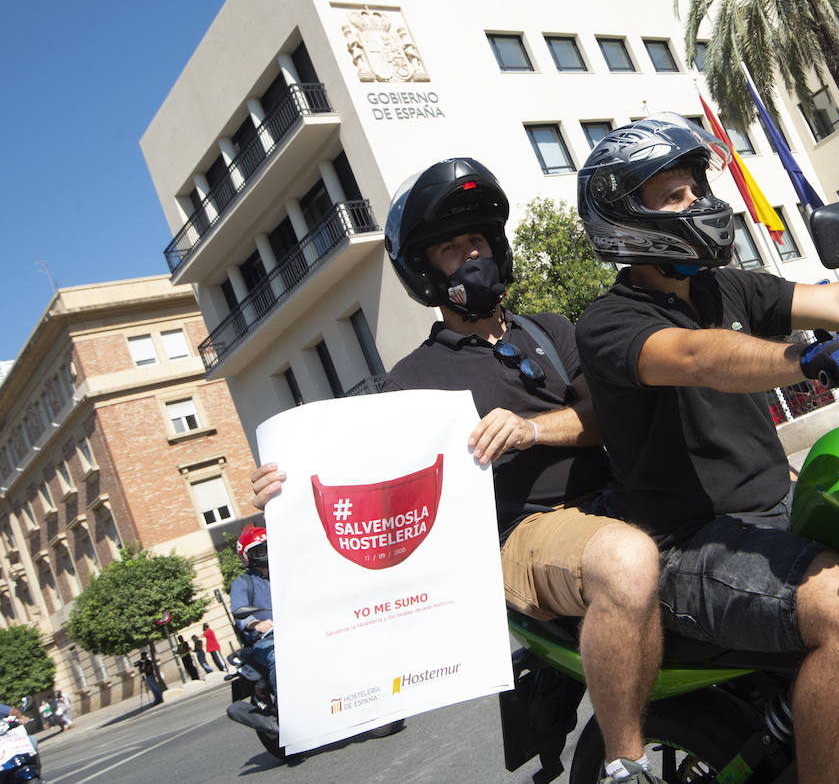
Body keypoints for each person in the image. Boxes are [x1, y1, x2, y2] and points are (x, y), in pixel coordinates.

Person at [250, 158, 667, 784]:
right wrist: (284, 494)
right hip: (524, 534)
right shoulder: (408, 384)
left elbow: (603, 417)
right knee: (624, 560)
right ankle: (624, 765)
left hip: (618, 499)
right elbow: (366, 486)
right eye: (451, 247)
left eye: (477, 240)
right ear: (424, 270)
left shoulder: (552, 332)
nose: (471, 254)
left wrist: (530, 428)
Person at [573, 116, 839, 784]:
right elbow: (698, 356)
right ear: (627, 221)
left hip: (777, 510)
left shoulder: (729, 287)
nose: (701, 205)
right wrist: (812, 358)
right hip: (688, 544)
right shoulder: (611, 321)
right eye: (675, 197)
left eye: (696, 188)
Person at [229, 524, 275, 693]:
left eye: (269, 546)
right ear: (247, 556)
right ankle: (286, 706)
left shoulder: (286, 573)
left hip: (294, 631)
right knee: (278, 659)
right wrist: (256, 624)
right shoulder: (242, 583)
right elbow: (240, 612)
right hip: (267, 640)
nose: (267, 553)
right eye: (260, 550)